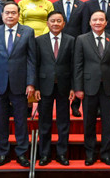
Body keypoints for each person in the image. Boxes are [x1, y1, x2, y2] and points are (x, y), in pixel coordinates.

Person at [0, 2, 36, 167]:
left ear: (18, 14)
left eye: (13, 13)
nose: (10, 16)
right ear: (2, 15)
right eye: (7, 13)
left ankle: (22, 154)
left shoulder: (27, 32)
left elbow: (31, 60)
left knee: (21, 120)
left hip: (20, 84)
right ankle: (3, 153)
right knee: (0, 121)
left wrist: (30, 83)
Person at [74, 10, 110, 166]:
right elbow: (78, 65)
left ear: (106, 22)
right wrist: (78, 88)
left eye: (101, 19)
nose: (98, 22)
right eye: (95, 19)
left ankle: (106, 154)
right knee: (89, 122)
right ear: (89, 22)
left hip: (108, 87)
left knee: (108, 123)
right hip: (88, 87)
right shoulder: (81, 39)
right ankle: (90, 154)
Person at [34, 11, 75, 166]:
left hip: (64, 86)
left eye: (59, 21)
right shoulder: (39, 41)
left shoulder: (71, 40)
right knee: (44, 122)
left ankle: (62, 153)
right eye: (53, 21)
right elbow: (36, 65)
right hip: (44, 86)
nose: (56, 23)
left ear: (63, 23)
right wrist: (36, 86)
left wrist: (73, 87)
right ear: (47, 23)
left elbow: (73, 65)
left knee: (63, 122)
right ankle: (44, 154)